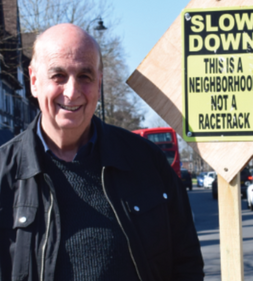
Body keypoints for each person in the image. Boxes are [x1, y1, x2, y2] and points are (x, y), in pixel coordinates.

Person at [0, 23, 204, 280]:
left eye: (84, 76)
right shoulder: (4, 175)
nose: (72, 92)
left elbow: (186, 263)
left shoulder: (147, 162)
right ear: (33, 81)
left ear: (99, 82)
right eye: (58, 76)